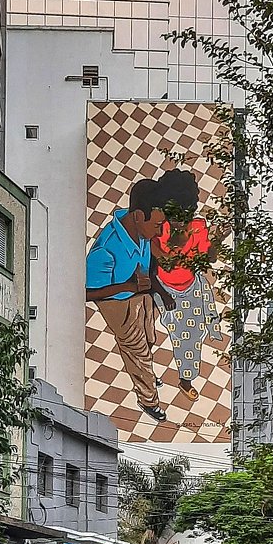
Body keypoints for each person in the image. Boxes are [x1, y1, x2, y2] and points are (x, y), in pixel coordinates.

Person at [86, 178, 168, 422]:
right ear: (138, 217)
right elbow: (86, 293)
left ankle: (147, 372)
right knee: (136, 348)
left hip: (138, 294)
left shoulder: (141, 232)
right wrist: (128, 286)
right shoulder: (106, 250)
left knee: (149, 337)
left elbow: (148, 264)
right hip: (115, 300)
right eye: (157, 225)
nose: (160, 231)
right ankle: (149, 400)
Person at [152, 168, 224, 402]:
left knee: (193, 335)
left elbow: (209, 258)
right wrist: (163, 294)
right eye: (175, 214)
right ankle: (168, 377)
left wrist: (218, 240)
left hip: (192, 286)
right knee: (169, 333)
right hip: (164, 287)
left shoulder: (198, 227)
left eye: (186, 213)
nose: (180, 220)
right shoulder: (158, 230)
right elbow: (162, 263)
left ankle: (185, 378)